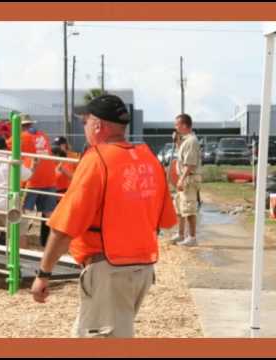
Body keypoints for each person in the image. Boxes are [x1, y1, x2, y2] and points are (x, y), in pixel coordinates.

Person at [30, 94, 178, 338]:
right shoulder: (148, 158)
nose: (84, 127)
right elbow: (166, 220)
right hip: (141, 268)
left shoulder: (97, 160)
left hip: (108, 269)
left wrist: (44, 274)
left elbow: (64, 227)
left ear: (98, 125)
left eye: (85, 122)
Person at [8, 114, 58, 247]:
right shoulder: (43, 135)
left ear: (19, 126)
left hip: (33, 178)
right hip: (50, 178)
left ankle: (19, 238)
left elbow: (2, 148)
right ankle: (52, 242)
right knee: (48, 213)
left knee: (23, 210)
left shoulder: (20, 137)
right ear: (31, 124)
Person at [170, 113, 202, 247]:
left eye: (177, 125)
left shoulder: (191, 141)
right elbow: (181, 156)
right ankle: (181, 233)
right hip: (184, 177)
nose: (175, 127)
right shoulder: (185, 140)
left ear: (184, 125)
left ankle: (192, 237)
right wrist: (177, 141)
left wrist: (181, 180)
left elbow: (190, 164)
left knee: (189, 208)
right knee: (179, 207)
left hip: (188, 178)